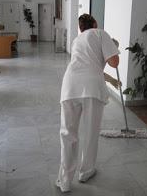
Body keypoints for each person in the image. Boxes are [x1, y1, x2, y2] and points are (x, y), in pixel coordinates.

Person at [56, 14, 120, 193]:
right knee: (90, 132)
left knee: (67, 134)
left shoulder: (77, 40)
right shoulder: (100, 33)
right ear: (95, 24)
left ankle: (65, 180)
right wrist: (114, 48)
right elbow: (114, 62)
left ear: (80, 28)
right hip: (91, 89)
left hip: (69, 86)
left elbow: (90, 67)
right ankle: (85, 172)